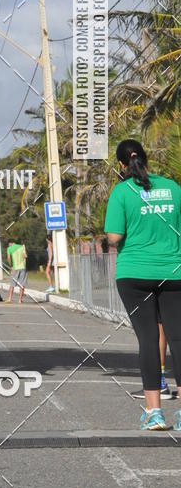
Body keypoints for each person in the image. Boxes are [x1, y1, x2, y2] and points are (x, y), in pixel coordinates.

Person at [105, 139, 181, 431]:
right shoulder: (172, 188)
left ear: (121, 165)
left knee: (148, 340)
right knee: (178, 339)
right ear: (146, 159)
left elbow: (114, 237)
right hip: (174, 272)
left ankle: (154, 412)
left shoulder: (122, 191)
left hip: (135, 274)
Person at [6, 239, 27, 304]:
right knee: (22, 284)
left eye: (8, 244)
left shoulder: (9, 248)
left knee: (12, 284)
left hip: (15, 268)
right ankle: (20, 300)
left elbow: (8, 258)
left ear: (10, 243)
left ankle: (9, 299)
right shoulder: (22, 247)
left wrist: (11, 266)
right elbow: (25, 256)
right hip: (23, 267)